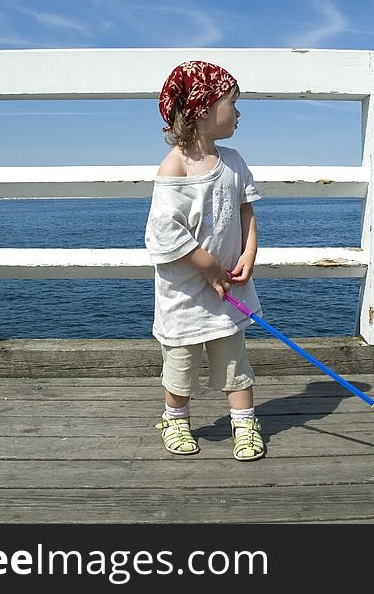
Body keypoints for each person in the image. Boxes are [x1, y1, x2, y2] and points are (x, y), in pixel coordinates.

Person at [144, 60, 265, 461]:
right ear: (203, 107)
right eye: (232, 102)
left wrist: (248, 253)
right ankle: (176, 418)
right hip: (187, 291)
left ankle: (245, 423)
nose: (239, 112)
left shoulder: (233, 160)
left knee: (235, 362)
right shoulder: (174, 166)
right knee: (180, 362)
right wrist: (207, 264)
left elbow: (246, 211)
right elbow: (164, 231)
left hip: (229, 288)